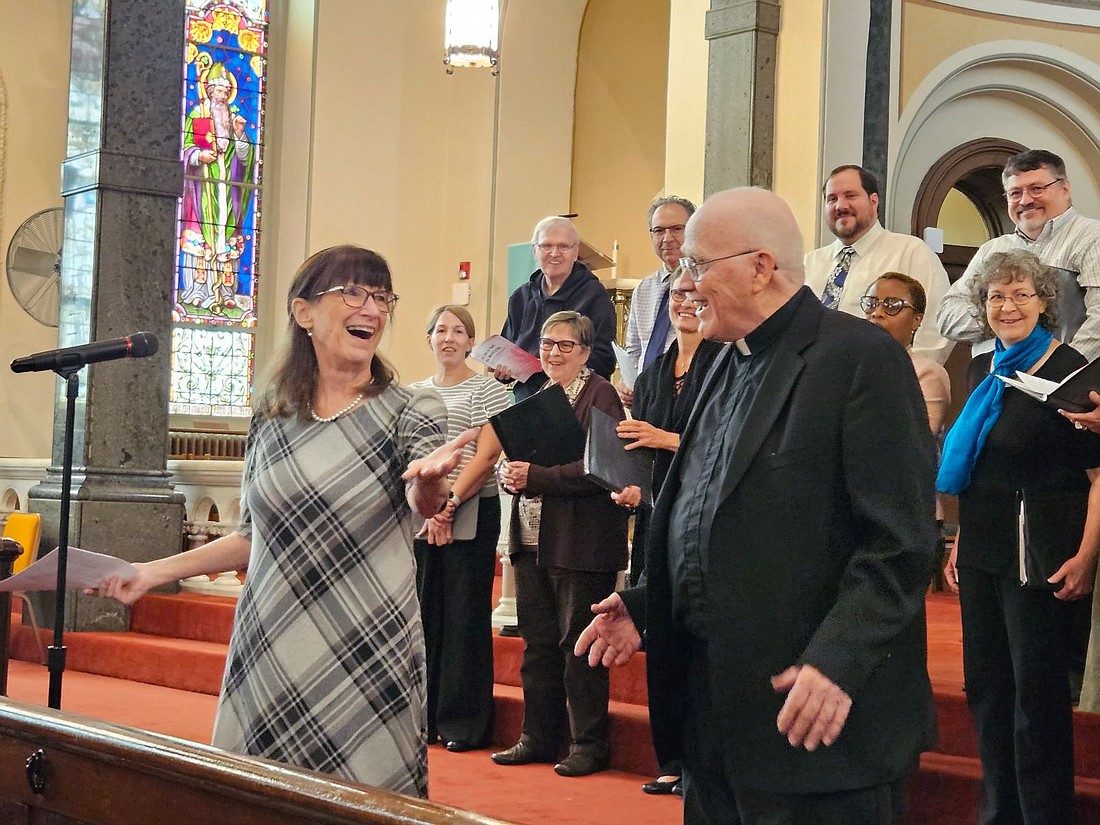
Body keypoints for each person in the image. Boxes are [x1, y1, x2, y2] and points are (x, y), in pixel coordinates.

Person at [576, 187, 938, 825]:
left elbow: (901, 540)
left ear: (761, 266)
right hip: (716, 721)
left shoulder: (860, 359)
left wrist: (837, 660)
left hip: (814, 721)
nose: (683, 285)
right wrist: (647, 604)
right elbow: (705, 505)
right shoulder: (721, 359)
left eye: (698, 265)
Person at [90, 245, 475, 798]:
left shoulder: (411, 409)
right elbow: (251, 538)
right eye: (353, 293)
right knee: (259, 802)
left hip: (364, 644)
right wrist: (150, 573)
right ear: (304, 313)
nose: (371, 308)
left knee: (358, 802)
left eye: (381, 297)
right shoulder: (273, 413)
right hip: (271, 637)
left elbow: (423, 501)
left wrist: (432, 479)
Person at [938, 249, 1100, 824]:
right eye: (995, 296)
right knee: (987, 690)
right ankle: (999, 813)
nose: (1007, 306)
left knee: (1036, 697)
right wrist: (959, 539)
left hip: (1044, 552)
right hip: (983, 545)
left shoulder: (1073, 369)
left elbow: (1098, 475)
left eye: (1020, 294)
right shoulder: (986, 370)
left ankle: (1043, 816)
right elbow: (982, 469)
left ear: (1043, 302)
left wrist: (1087, 554)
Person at [491, 310, 628, 777]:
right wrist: (512, 475)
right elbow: (526, 462)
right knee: (538, 647)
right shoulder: (537, 393)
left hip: (581, 542)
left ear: (587, 352)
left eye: (564, 345)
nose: (552, 352)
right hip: (532, 538)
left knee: (579, 648)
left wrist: (537, 476)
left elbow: (602, 468)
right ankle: (536, 736)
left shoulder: (600, 394)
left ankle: (588, 744)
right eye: (547, 344)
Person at [616, 282, 722, 797]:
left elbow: (731, 442)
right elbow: (640, 445)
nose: (684, 302)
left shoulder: (727, 364)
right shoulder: (654, 372)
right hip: (658, 515)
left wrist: (667, 440)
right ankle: (672, 758)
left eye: (694, 294)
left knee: (698, 641)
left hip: (707, 520)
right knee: (660, 637)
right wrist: (629, 483)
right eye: (676, 295)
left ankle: (703, 760)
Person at [411, 305, 510, 753]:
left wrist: (449, 504)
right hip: (422, 514)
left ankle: (463, 722)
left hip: (470, 508)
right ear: (429, 339)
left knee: (464, 617)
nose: (448, 338)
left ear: (471, 342)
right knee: (425, 617)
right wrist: (431, 509)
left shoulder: (487, 390)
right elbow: (410, 458)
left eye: (458, 331)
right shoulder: (412, 393)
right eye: (440, 330)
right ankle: (424, 717)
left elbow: (488, 455)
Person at [938, 149, 1100, 362]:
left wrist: (1064, 369)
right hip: (993, 378)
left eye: (1037, 188)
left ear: (1065, 189)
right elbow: (947, 318)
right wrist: (1007, 318)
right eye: (1015, 193)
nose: (1025, 200)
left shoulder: (1092, 237)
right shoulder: (991, 250)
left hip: (1065, 385)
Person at [804, 165, 954, 364]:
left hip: (881, 379)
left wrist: (909, 378)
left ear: (873, 201)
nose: (840, 206)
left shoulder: (911, 252)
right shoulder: (808, 264)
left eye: (850, 196)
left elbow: (936, 328)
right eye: (832, 199)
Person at [495, 217, 617, 402]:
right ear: (534, 251)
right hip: (527, 400)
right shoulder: (521, 297)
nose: (554, 253)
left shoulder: (594, 295)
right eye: (546, 246)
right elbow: (509, 349)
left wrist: (553, 362)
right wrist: (503, 370)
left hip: (576, 400)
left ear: (576, 252)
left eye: (563, 247)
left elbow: (604, 359)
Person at [179, 62, 256, 315]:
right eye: (219, 91)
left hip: (228, 189)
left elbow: (245, 157)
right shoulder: (196, 114)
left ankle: (226, 293)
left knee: (229, 239)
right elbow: (186, 146)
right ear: (210, 91)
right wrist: (199, 155)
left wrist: (241, 135)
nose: (223, 96)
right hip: (203, 190)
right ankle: (197, 292)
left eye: (226, 92)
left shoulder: (234, 119)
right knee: (201, 241)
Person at [618, 196, 697, 407]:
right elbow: (635, 349)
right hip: (645, 399)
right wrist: (628, 383)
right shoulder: (644, 288)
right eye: (659, 231)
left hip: (685, 398)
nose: (667, 238)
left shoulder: (705, 284)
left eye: (677, 229)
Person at [861, 273, 951, 436]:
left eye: (892, 305)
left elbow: (918, 440)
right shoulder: (848, 365)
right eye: (871, 304)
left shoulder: (927, 373)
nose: (877, 313)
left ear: (916, 320)